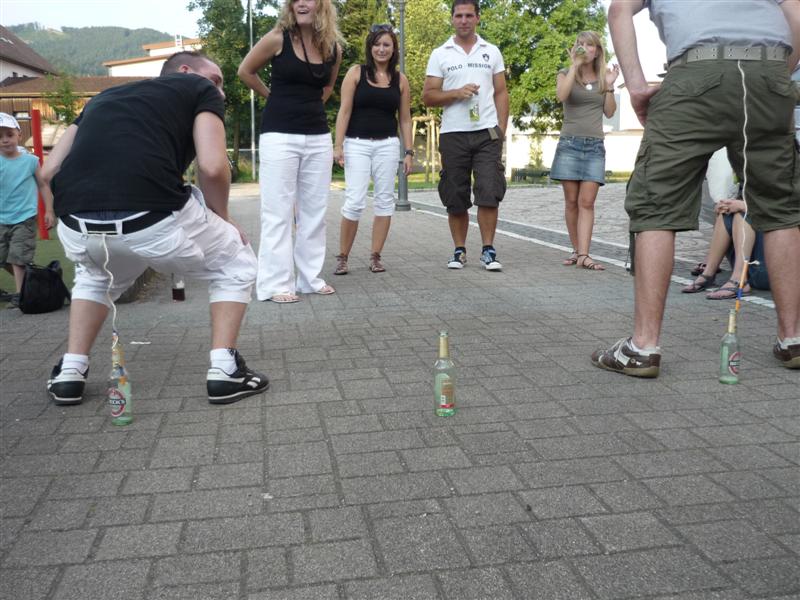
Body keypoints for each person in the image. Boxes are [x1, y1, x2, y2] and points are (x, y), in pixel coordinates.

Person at [42, 52, 270, 405]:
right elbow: (212, 166)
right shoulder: (198, 89)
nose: (221, 92)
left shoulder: (103, 98)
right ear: (186, 71)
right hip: (152, 217)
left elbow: (48, 171)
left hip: (76, 222)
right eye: (216, 80)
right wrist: (223, 216)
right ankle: (226, 371)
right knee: (236, 260)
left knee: (94, 277)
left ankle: (70, 373)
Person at [592, 0, 800, 376]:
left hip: (696, 71)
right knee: (781, 207)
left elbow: (620, 10)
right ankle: (793, 339)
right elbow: (797, 13)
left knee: (656, 204)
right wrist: (776, 76)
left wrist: (636, 86)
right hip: (768, 70)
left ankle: (643, 347)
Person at [238, 0, 343, 303]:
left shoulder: (333, 48)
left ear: (321, 5)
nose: (301, 4)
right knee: (277, 212)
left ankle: (310, 279)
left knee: (315, 212)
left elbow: (327, 88)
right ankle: (275, 284)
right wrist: (272, 96)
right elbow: (245, 71)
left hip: (318, 136)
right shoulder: (277, 38)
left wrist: (308, 107)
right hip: (279, 135)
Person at [422, 0, 509, 271]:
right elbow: (428, 96)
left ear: (478, 18)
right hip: (453, 134)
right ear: (452, 19)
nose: (463, 20)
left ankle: (488, 250)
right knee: (455, 194)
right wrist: (456, 93)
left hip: (487, 133)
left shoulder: (491, 51)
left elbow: (501, 92)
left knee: (489, 190)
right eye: (459, 15)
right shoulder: (440, 54)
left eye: (469, 15)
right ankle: (459, 250)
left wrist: (501, 129)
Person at [332, 25, 413, 275]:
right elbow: (344, 111)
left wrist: (409, 151)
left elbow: (405, 119)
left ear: (393, 49)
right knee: (355, 201)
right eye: (377, 44)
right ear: (370, 47)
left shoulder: (400, 80)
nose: (381, 49)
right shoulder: (356, 73)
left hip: (387, 145)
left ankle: (376, 256)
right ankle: (343, 257)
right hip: (357, 144)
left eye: (386, 44)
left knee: (384, 202)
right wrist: (338, 145)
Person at [552, 31, 619, 271]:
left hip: (594, 146)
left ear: (597, 51)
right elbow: (561, 95)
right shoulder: (565, 73)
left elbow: (610, 112)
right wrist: (574, 66)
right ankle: (577, 250)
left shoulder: (603, 78)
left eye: (589, 45)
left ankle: (584, 254)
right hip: (569, 144)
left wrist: (609, 86)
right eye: (580, 44)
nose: (584, 48)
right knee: (571, 202)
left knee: (587, 202)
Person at [0, 113, 55, 307]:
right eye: (0, 136)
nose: (5, 140)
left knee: (18, 257)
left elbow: (43, 185)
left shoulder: (30, 161)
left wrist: (49, 211)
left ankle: (21, 295)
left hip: (24, 217)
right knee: (4, 258)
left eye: (9, 134)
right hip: (1, 218)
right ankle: (32, 279)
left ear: (19, 135)